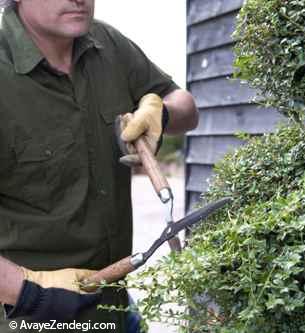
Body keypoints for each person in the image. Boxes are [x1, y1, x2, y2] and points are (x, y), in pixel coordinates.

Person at [0, 0, 198, 332]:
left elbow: (187, 107)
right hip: (28, 318)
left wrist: (159, 111)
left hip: (115, 307)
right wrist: (30, 291)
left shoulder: (107, 43)